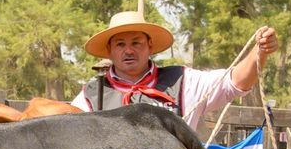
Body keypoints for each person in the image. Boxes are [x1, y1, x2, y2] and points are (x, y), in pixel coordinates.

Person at [71, 10, 279, 130]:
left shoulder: (182, 81)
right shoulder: (90, 97)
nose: (129, 51)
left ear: (150, 45)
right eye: (120, 44)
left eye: (136, 43)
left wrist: (259, 52)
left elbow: (234, 83)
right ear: (109, 50)